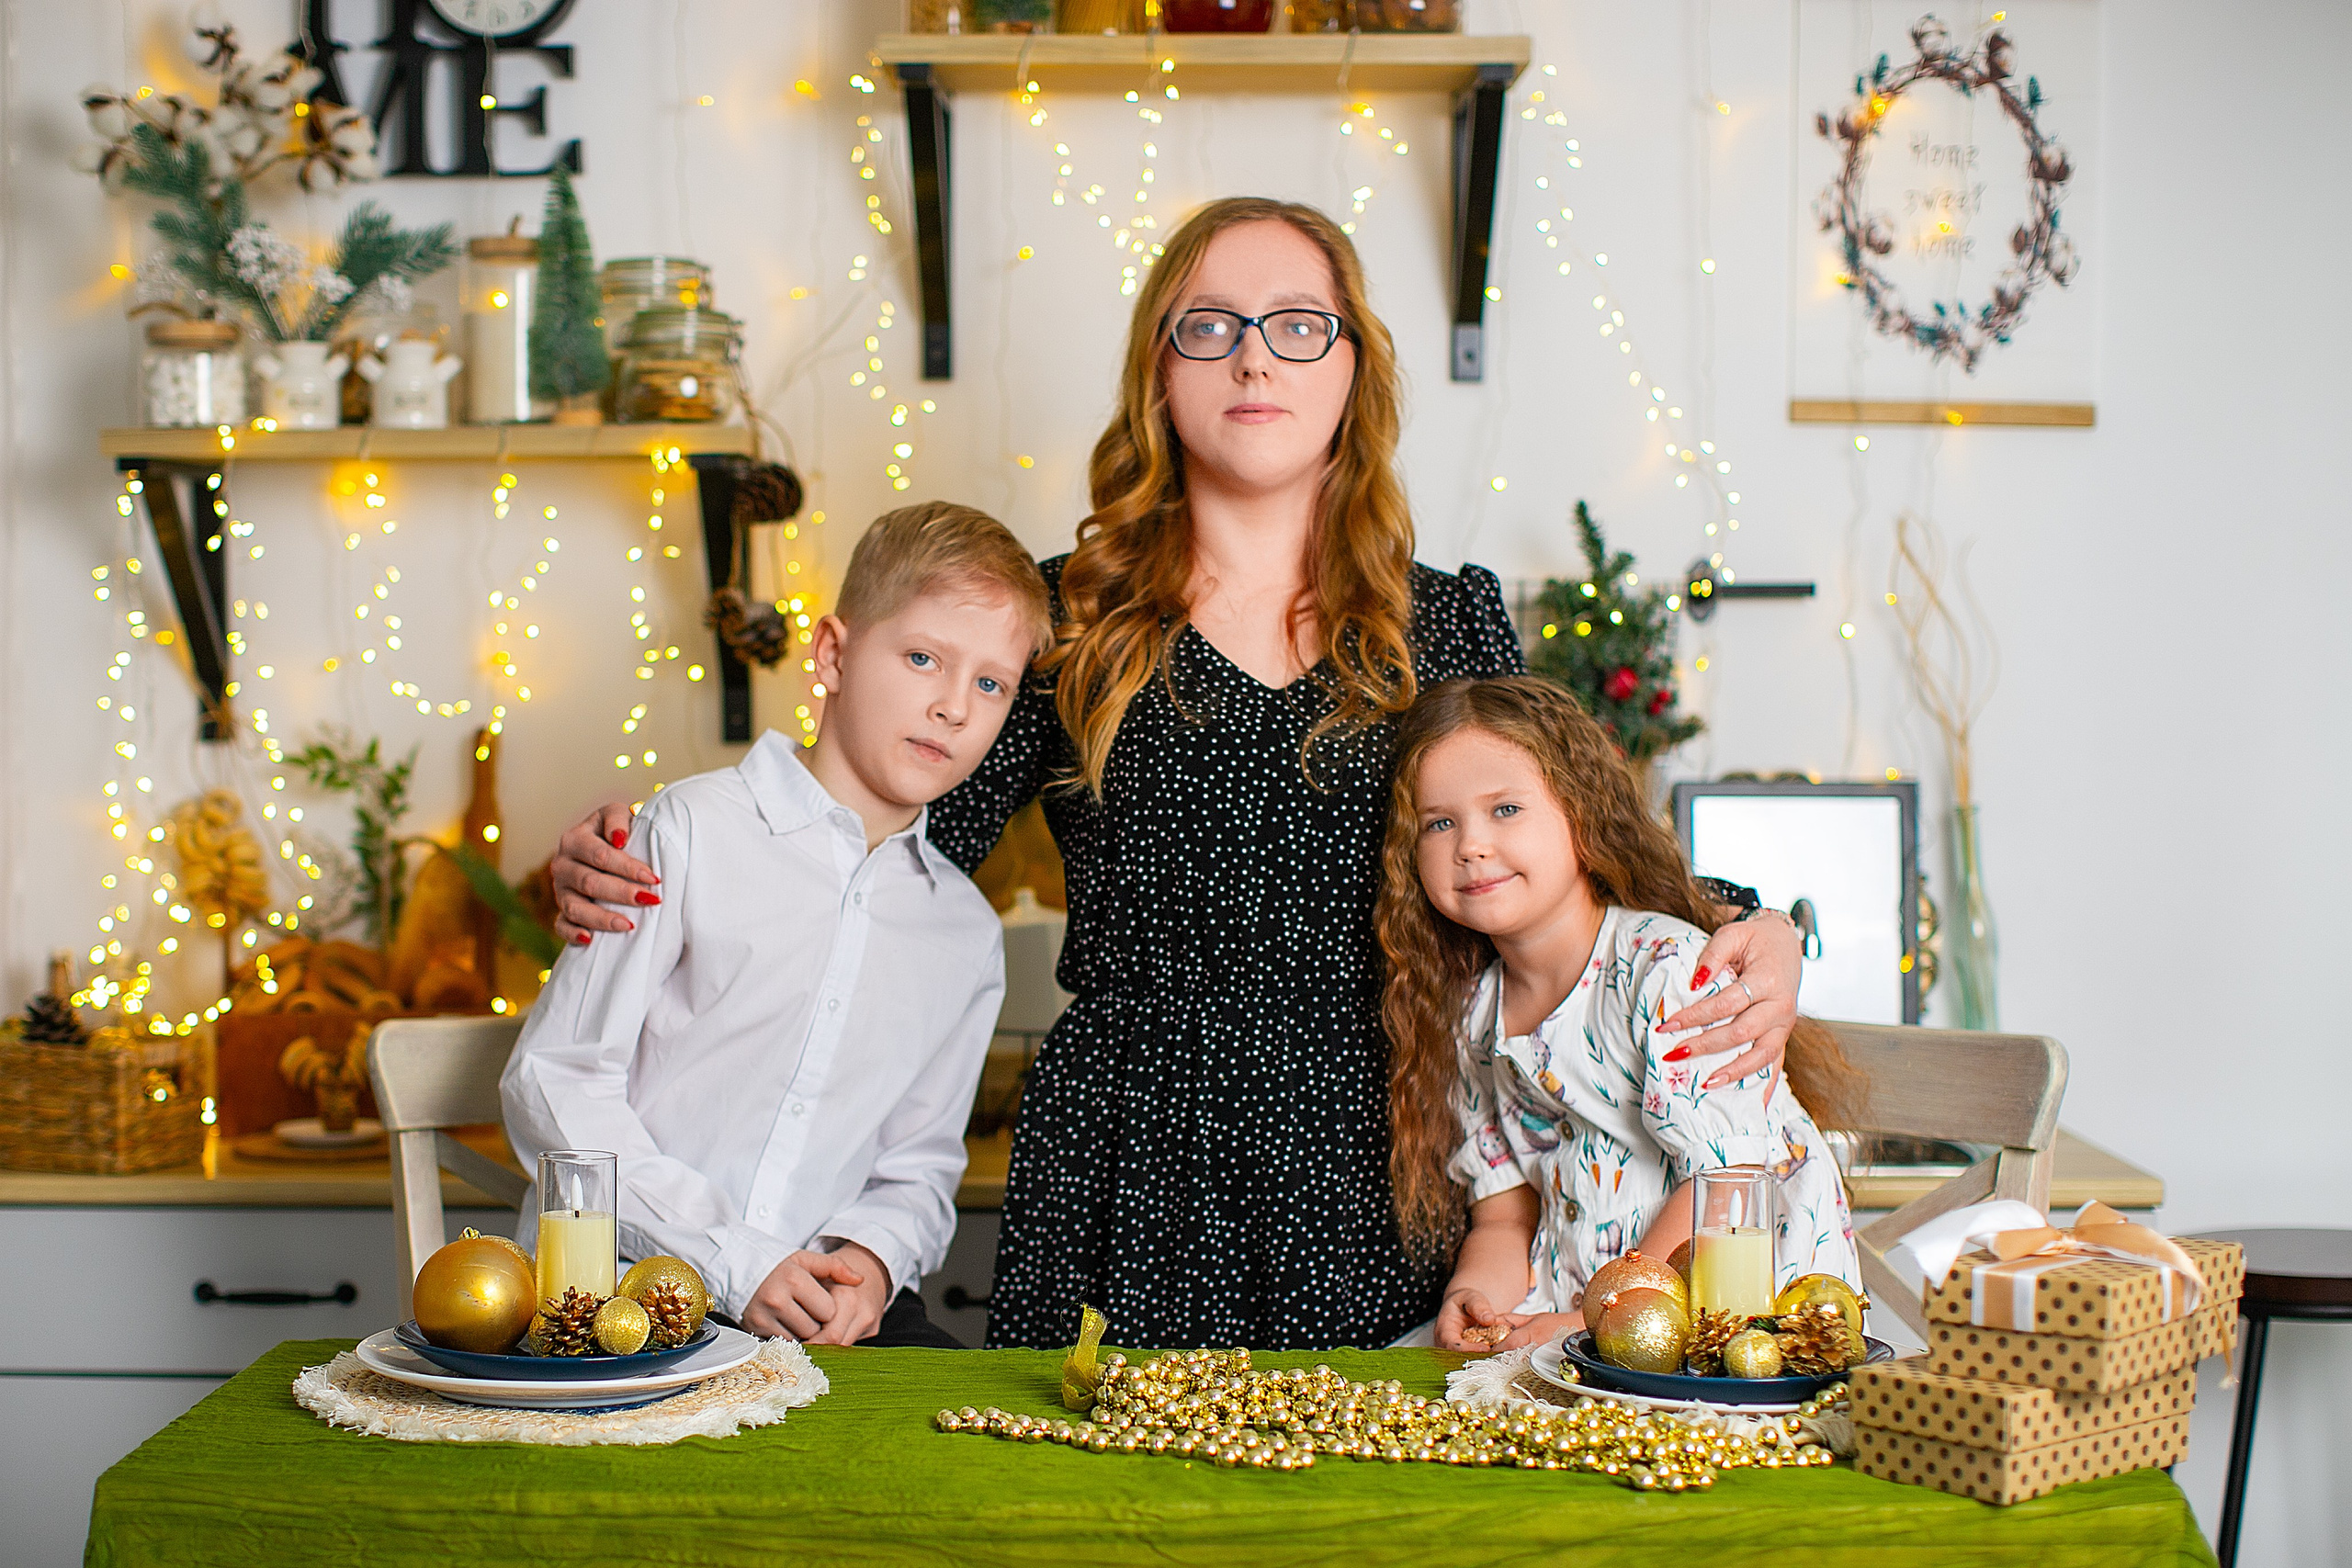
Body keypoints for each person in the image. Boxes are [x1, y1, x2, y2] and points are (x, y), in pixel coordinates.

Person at [547, 197, 1809, 1351]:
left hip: (1381, 1160)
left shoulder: (1444, 622)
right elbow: (876, 846)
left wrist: (1747, 927)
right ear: (1159, 371)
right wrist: (657, 857)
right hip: (1123, 1168)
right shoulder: (1065, 622)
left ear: (1354, 369)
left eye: (1298, 326)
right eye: (1210, 327)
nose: (1255, 359)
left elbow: (1568, 859)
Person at [502, 501, 1053, 1348]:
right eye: (923, 658)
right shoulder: (689, 831)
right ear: (831, 654)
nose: (954, 706)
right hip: (618, 1299)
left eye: (991, 684)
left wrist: (873, 1259)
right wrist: (735, 1259)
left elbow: (918, 1168)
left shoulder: (965, 934)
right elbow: (555, 1080)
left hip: (814, 1322)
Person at [1374, 677, 1865, 1353]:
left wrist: (1595, 1319)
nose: (1471, 845)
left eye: (1506, 809)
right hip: (1578, 1323)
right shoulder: (1473, 1017)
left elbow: (1723, 1188)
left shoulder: (1667, 970)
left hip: (1732, 1327)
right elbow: (1504, 1214)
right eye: (1439, 822)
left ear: (1581, 814)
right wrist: (1475, 1294)